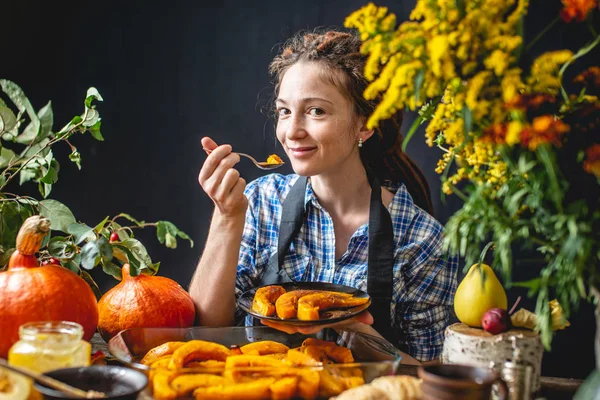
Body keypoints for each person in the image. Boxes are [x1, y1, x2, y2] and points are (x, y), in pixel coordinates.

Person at [189, 28, 458, 365]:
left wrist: (356, 330)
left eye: (316, 111)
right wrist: (226, 219)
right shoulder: (259, 202)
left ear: (365, 125)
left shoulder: (422, 239)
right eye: (285, 111)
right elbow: (203, 330)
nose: (291, 131)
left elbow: (430, 378)